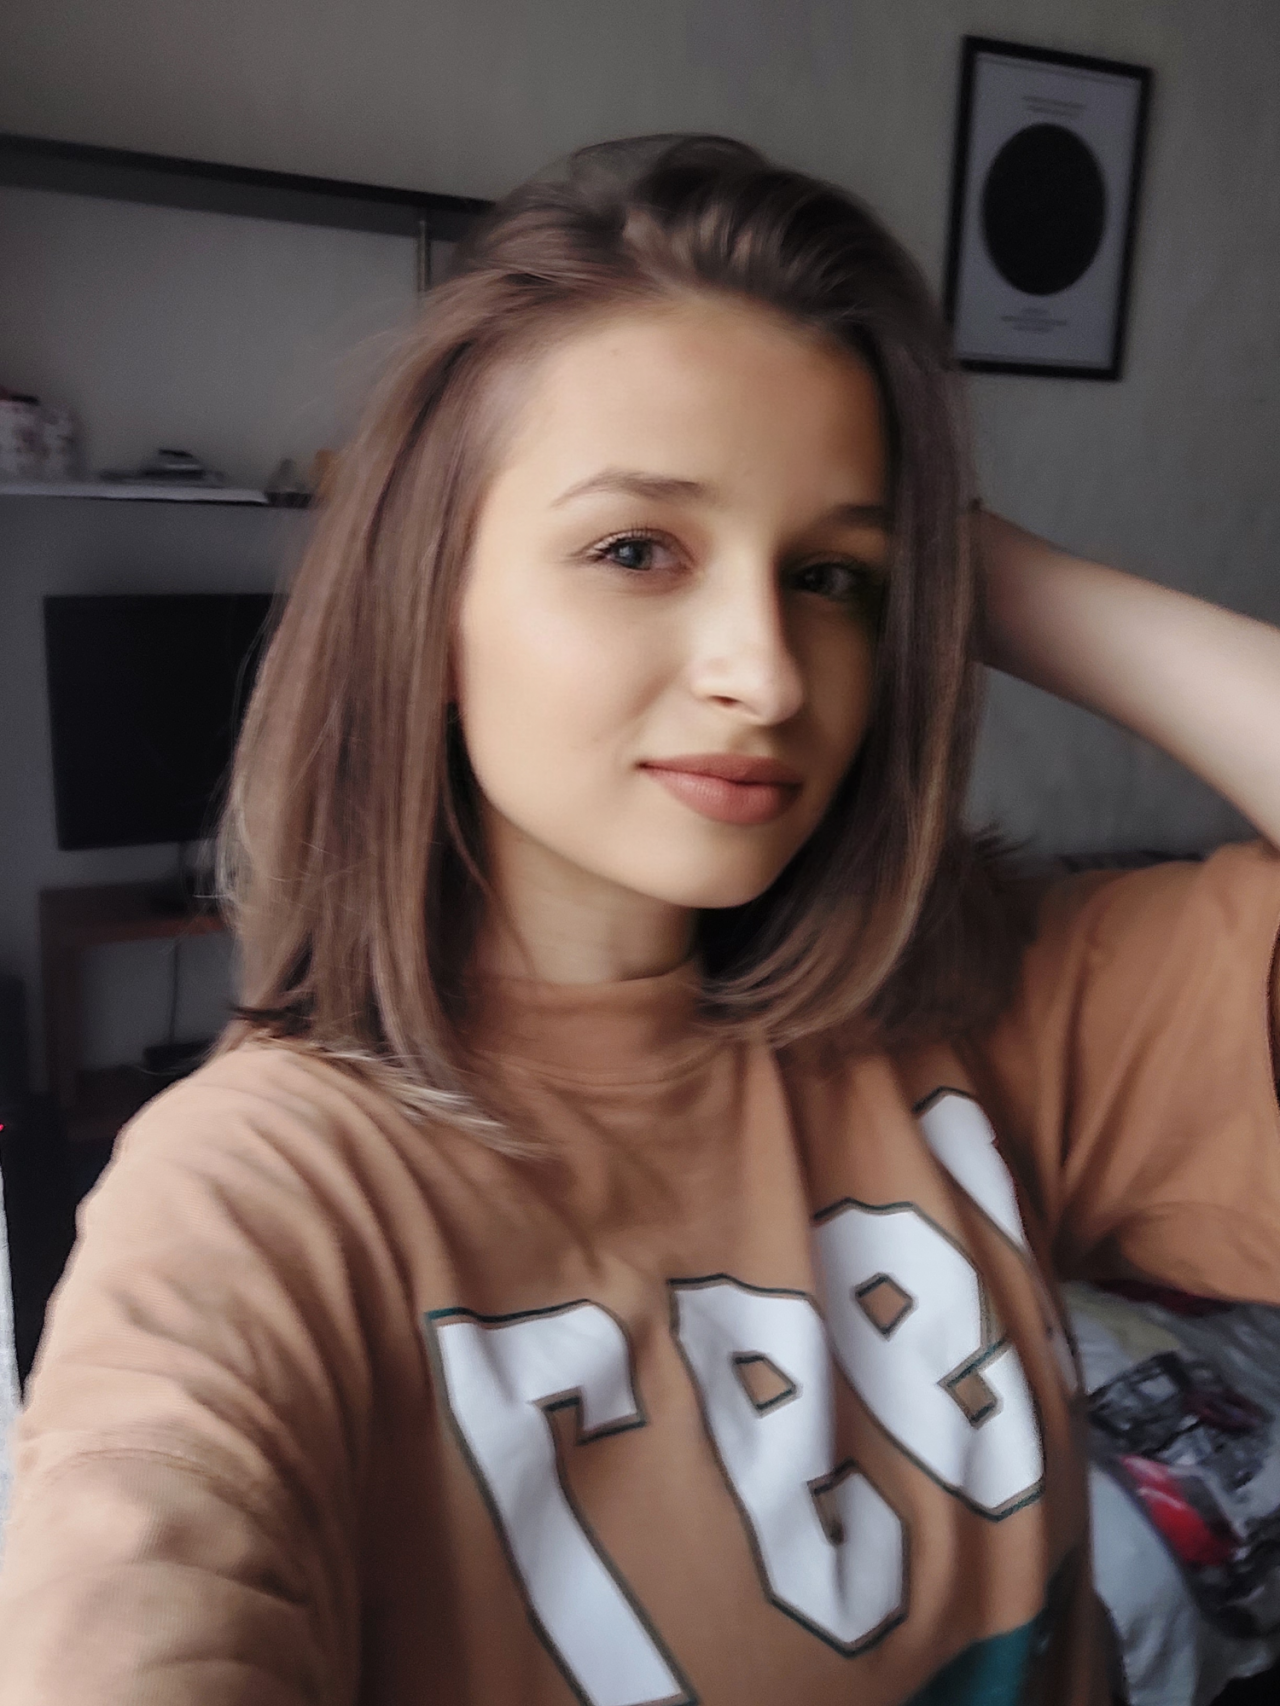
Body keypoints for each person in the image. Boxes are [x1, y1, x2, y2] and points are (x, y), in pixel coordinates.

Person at [2, 134, 1279, 1706]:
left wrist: (973, 567)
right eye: (635, 549)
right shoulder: (260, 1202)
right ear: (429, 608)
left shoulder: (994, 1011)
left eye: (829, 577)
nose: (768, 672)